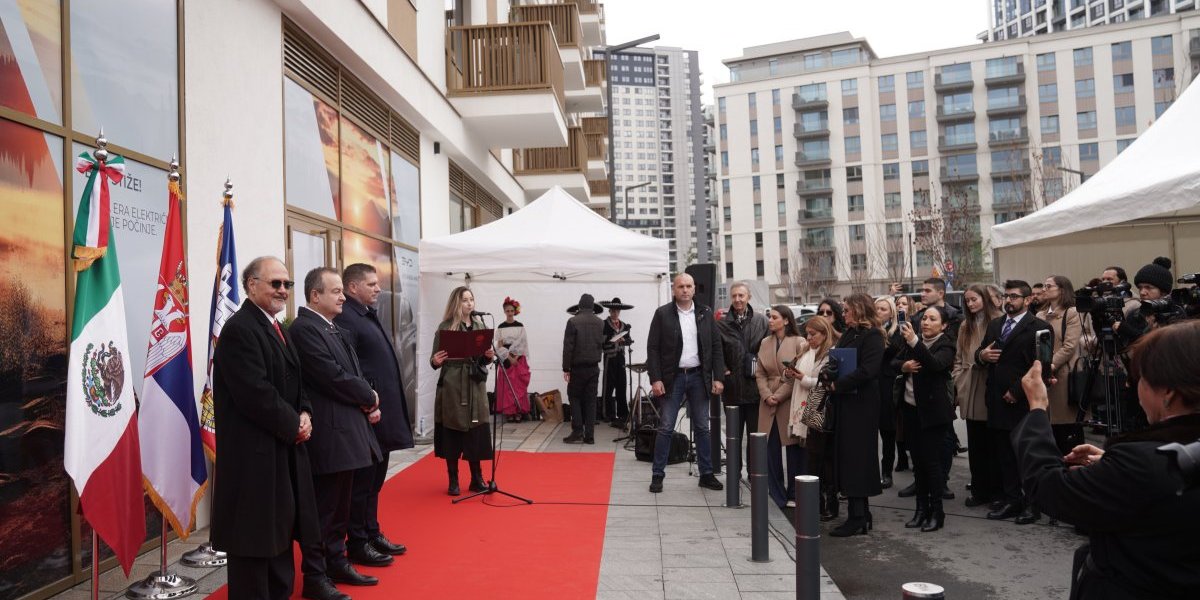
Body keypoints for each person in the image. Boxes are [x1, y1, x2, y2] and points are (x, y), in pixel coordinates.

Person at [1014, 322, 1200, 600]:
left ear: (1169, 392)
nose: (1132, 389)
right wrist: (1113, 470)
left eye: (1139, 379)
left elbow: (1048, 487)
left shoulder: (1141, 465)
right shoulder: (1163, 460)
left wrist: (1038, 408)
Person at [211, 256, 320, 600]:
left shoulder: (277, 328)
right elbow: (255, 394)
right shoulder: (240, 330)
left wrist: (305, 412)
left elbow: (297, 384)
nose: (283, 290)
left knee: (278, 541)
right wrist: (295, 426)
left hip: (280, 454)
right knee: (254, 549)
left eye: (287, 284)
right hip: (254, 462)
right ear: (251, 284)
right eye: (276, 283)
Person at [291, 268, 382, 593]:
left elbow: (352, 371)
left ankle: (336, 562)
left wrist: (368, 401)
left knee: (339, 509)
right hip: (330, 438)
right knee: (325, 511)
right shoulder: (304, 329)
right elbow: (330, 375)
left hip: (347, 433)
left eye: (343, 291)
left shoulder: (330, 327)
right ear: (315, 296)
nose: (343, 296)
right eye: (336, 291)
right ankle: (316, 576)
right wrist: (367, 396)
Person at [335, 263, 412, 566]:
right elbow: (350, 367)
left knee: (375, 481)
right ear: (352, 287)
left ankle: (371, 531)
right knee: (363, 484)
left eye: (377, 284)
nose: (378, 288)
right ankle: (357, 542)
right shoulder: (348, 319)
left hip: (382, 413)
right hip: (368, 415)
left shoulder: (364, 314)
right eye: (371, 284)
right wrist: (368, 401)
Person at [976, 280, 1051, 525]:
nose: (1009, 301)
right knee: (1004, 455)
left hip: (1023, 401)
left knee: (1025, 454)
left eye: (1015, 297)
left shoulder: (1040, 327)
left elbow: (1043, 365)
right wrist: (982, 355)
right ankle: (1012, 500)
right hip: (996, 399)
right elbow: (981, 353)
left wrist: (1017, 390)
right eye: (1006, 296)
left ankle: (1032, 504)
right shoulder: (996, 324)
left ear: (1028, 300)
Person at [646, 273, 725, 493]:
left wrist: (717, 377)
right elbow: (652, 348)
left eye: (689, 286)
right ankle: (657, 474)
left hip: (699, 376)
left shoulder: (705, 313)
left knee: (702, 427)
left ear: (694, 289)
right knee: (666, 427)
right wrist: (656, 378)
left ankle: (706, 474)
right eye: (681, 286)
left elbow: (716, 346)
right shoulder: (662, 314)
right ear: (674, 289)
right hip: (673, 378)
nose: (685, 290)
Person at [824, 293, 885, 537]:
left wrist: (839, 385)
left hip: (862, 405)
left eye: (847, 310)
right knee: (847, 457)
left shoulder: (873, 336)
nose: (844, 313)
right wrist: (830, 373)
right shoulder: (850, 333)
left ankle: (857, 516)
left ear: (859, 310)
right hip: (846, 403)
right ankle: (861, 512)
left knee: (858, 458)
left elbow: (868, 370)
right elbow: (839, 359)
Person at [894, 306, 957, 532]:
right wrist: (904, 365)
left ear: (944, 325)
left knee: (932, 464)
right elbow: (893, 362)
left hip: (934, 413)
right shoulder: (913, 341)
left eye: (932, 319)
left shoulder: (945, 344)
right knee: (918, 464)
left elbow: (935, 365)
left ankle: (936, 512)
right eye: (925, 318)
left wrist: (914, 343)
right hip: (911, 410)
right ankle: (920, 510)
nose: (926, 323)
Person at [430, 286, 496, 495]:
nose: (470, 303)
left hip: (475, 384)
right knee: (453, 430)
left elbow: (484, 359)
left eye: (472, 299)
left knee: (475, 432)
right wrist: (435, 360)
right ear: (456, 303)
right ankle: (453, 480)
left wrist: (488, 355)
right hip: (452, 385)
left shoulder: (479, 324)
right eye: (465, 300)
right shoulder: (445, 327)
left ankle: (476, 478)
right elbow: (434, 359)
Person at [785, 315, 839, 520]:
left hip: (820, 409)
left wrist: (803, 378)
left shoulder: (830, 353)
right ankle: (815, 502)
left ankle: (827, 501)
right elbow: (790, 369)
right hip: (802, 406)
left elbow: (826, 381)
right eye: (807, 333)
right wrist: (789, 373)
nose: (809, 338)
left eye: (813, 334)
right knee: (812, 457)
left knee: (823, 458)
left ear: (824, 334)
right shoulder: (805, 349)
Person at [755, 305, 808, 507]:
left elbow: (798, 374)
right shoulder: (765, 342)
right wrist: (767, 395)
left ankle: (795, 493)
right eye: (769, 317)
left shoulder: (799, 342)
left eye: (774, 317)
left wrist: (778, 395)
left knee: (794, 448)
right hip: (767, 400)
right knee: (771, 448)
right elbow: (759, 373)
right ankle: (776, 494)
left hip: (790, 400)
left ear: (786, 320)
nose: (770, 320)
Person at [954, 284, 1002, 508]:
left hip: (989, 385)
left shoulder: (999, 321)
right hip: (969, 385)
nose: (971, 304)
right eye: (967, 300)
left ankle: (995, 491)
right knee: (975, 443)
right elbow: (958, 357)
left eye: (974, 299)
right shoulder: (966, 325)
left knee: (994, 444)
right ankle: (979, 489)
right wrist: (959, 380)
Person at [721, 282, 769, 459]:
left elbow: (768, 351)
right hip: (732, 390)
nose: (737, 299)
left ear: (749, 296)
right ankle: (735, 474)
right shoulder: (722, 325)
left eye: (741, 295)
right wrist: (723, 370)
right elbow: (717, 353)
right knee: (733, 438)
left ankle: (753, 475)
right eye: (734, 296)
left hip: (755, 390)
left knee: (755, 436)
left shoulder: (762, 321)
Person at [1036, 276, 1083, 454]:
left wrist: (1049, 366)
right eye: (1044, 286)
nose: (1044, 289)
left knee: (1067, 429)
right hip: (1043, 375)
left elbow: (1070, 346)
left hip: (1063, 374)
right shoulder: (1040, 315)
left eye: (1049, 286)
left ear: (1062, 290)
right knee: (1048, 431)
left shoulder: (1072, 312)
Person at [562, 293, 605, 443]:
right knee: (591, 400)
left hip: (577, 368)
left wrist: (566, 368)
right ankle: (590, 435)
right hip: (594, 368)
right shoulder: (600, 323)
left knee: (574, 397)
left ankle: (578, 431)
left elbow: (568, 347)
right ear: (592, 306)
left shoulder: (573, 321)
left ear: (580, 305)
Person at [874, 296, 905, 489]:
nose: (879, 312)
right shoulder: (869, 330)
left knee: (887, 432)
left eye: (883, 309)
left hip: (888, 386)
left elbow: (892, 352)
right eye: (876, 308)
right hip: (870, 384)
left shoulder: (897, 332)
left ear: (892, 313)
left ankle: (887, 472)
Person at [495, 297, 531, 423]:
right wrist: (509, 357)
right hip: (506, 359)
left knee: (517, 385)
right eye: (507, 311)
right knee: (507, 387)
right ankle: (509, 412)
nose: (510, 313)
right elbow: (499, 345)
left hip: (518, 359)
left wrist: (516, 357)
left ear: (514, 311)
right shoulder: (500, 327)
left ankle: (519, 411)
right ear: (504, 311)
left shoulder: (520, 326)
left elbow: (523, 343)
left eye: (511, 311)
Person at [600, 297, 634, 428]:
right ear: (609, 311)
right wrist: (612, 342)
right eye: (613, 311)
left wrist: (625, 341)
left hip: (621, 358)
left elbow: (628, 340)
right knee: (608, 386)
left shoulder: (625, 326)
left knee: (622, 385)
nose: (615, 313)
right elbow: (601, 343)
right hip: (610, 358)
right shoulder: (603, 324)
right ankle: (607, 414)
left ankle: (622, 413)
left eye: (617, 311)